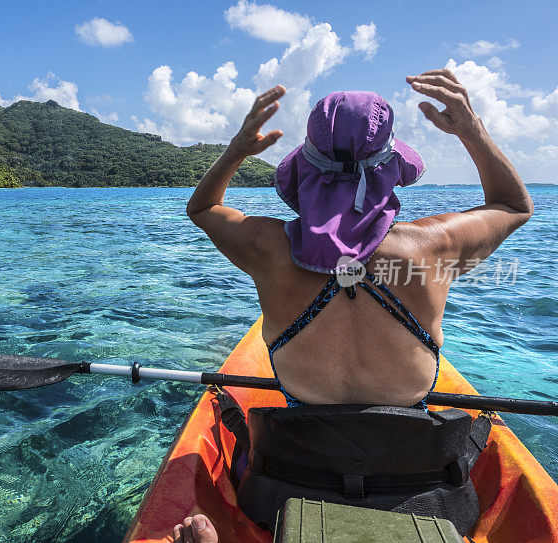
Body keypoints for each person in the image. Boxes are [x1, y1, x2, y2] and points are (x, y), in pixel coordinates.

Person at [172, 68, 533, 543]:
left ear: (305, 168)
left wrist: (239, 147)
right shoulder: (432, 246)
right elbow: (513, 206)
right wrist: (471, 129)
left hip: (282, 485)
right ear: (390, 169)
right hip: (424, 490)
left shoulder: (268, 247)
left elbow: (201, 209)